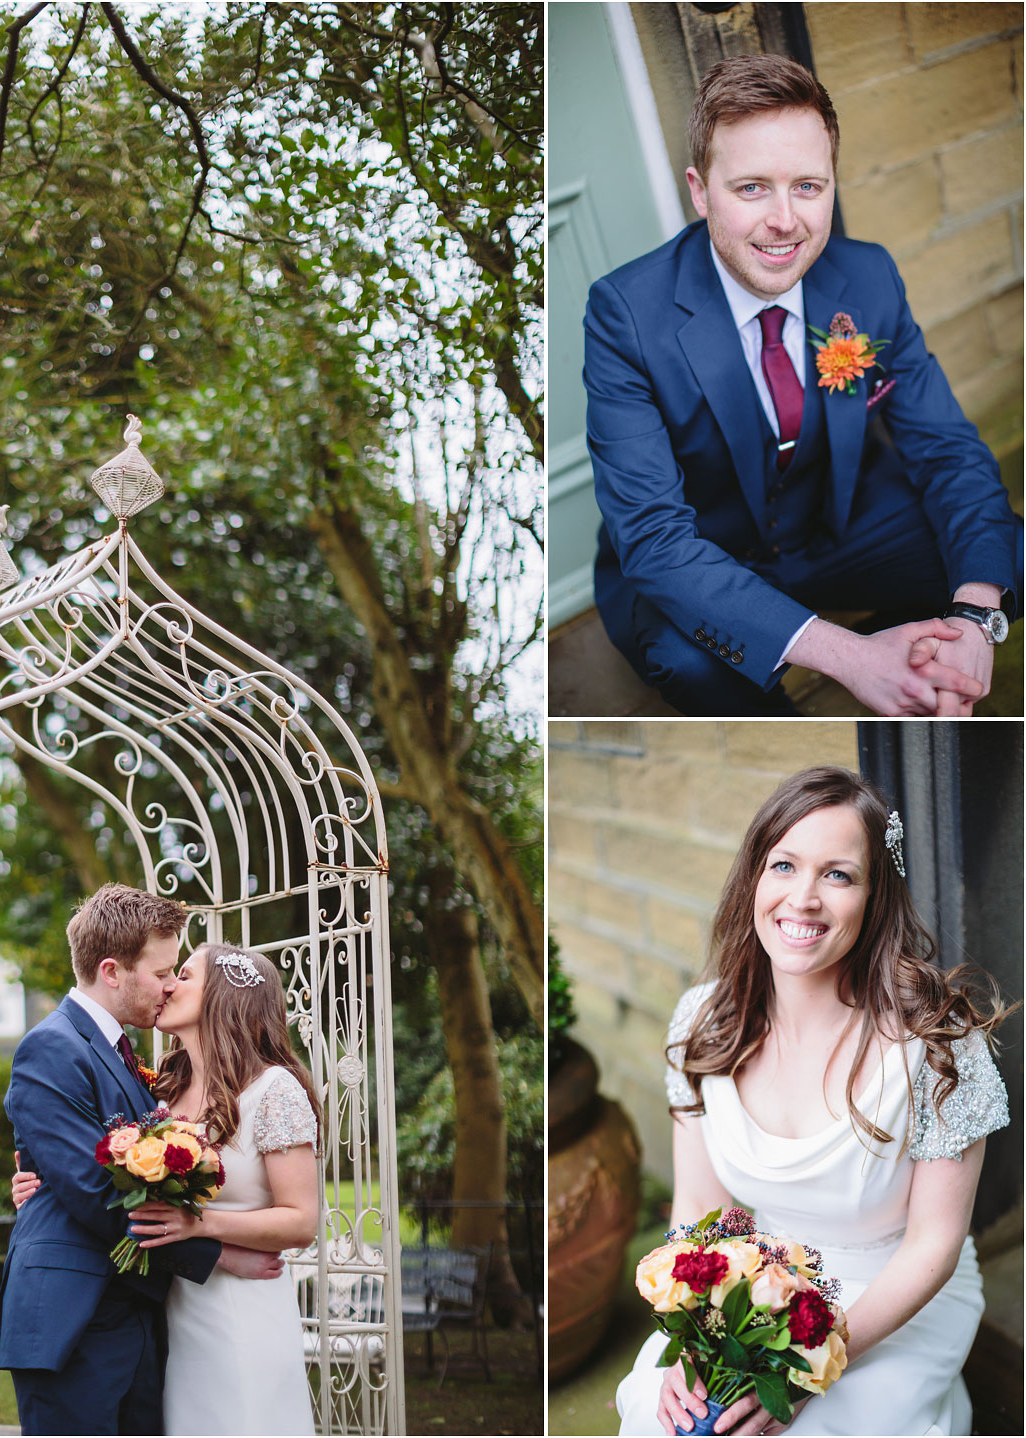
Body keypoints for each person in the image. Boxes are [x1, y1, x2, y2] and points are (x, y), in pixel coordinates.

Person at [585, 54, 1023, 717]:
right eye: (752, 188)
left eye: (809, 187)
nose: (786, 221)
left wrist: (972, 618)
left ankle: (911, 643)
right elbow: (654, 539)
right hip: (708, 557)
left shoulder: (869, 277)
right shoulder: (625, 312)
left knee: (1004, 557)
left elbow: (948, 451)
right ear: (701, 191)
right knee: (691, 665)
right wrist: (852, 658)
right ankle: (826, 667)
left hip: (838, 526)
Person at [614, 767, 1014, 1435]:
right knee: (676, 1422)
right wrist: (693, 1341)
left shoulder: (940, 1044)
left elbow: (934, 1248)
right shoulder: (702, 1022)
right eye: (784, 866)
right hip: (758, 1292)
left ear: (875, 896)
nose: (803, 898)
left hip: (894, 1300)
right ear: (753, 880)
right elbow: (701, 1213)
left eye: (838, 874)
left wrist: (805, 1366)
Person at [0, 885, 288, 1436]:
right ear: (111, 971)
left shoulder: (134, 1060)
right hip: (74, 1317)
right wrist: (218, 1254)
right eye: (162, 972)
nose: (171, 985)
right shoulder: (51, 1047)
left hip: (140, 1312)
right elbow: (95, 1190)